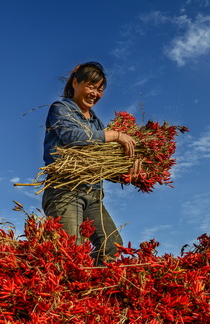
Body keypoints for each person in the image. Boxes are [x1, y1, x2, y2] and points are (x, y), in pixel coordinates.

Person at [42, 61, 139, 262]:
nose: (95, 93)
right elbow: (72, 136)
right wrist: (116, 135)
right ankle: (72, 286)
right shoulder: (61, 108)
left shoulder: (96, 122)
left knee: (112, 247)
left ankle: (88, 286)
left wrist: (127, 172)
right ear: (75, 83)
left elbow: (100, 164)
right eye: (91, 86)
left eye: (100, 89)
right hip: (65, 190)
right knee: (71, 251)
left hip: (93, 195)